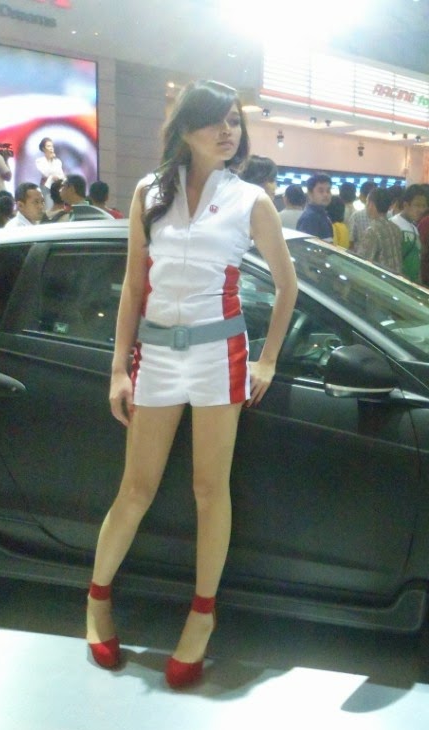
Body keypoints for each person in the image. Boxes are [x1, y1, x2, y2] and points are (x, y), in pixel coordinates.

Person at [85, 80, 297, 688]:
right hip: (155, 354)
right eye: (214, 120)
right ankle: (97, 599)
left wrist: (268, 360)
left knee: (210, 489)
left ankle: (202, 615)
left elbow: (287, 286)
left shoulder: (251, 200)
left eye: (234, 121)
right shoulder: (149, 192)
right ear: (184, 128)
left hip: (219, 355)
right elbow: (133, 286)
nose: (227, 131)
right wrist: (119, 367)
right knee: (136, 488)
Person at [356, 187, 403, 273]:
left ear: (371, 204)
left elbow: (362, 261)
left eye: (367, 202)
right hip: (395, 277)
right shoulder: (396, 228)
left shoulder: (372, 231)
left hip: (380, 278)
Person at [391, 185, 429, 283]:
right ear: (406, 205)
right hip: (397, 283)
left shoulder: (414, 228)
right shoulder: (394, 225)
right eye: (417, 205)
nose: (421, 210)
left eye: (424, 206)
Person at [295, 173, 333, 241]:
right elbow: (305, 245)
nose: (325, 194)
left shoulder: (322, 215)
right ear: (310, 193)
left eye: (328, 191)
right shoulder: (309, 218)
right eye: (321, 191)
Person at [347, 180, 376, 249]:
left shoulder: (356, 216)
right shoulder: (387, 215)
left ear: (362, 196)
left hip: (360, 254)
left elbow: (350, 241)